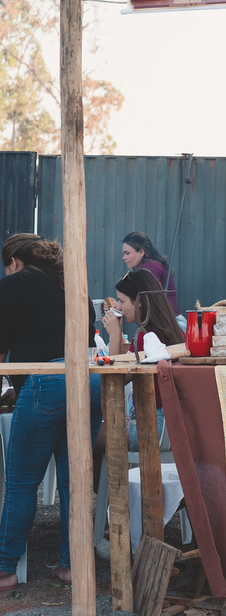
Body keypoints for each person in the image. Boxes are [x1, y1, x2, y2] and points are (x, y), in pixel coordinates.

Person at [0, 234, 102, 590]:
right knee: (75, 484)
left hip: (46, 381)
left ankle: (5, 569)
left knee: (21, 482)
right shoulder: (72, 283)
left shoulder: (11, 285)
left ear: (15, 262)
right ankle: (73, 566)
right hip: (88, 382)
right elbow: (88, 341)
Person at [100, 268, 184, 452]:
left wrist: (115, 335)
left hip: (151, 426)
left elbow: (115, 381)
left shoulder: (145, 337)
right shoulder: (173, 330)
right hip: (174, 428)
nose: (118, 307)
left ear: (140, 302)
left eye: (122, 301)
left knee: (90, 434)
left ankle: (99, 474)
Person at [121, 232, 181, 322]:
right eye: (124, 254)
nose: (124, 257)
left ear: (141, 252)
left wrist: (119, 306)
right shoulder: (150, 265)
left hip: (170, 324)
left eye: (127, 253)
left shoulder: (149, 268)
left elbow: (148, 301)